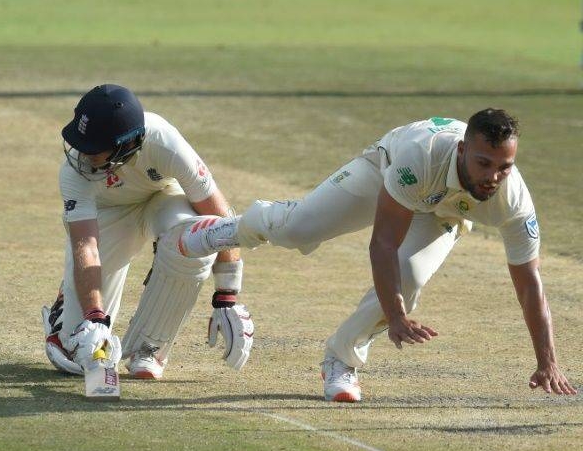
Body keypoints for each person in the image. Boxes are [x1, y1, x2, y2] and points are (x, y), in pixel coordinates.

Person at [179, 109, 577, 402]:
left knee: (410, 278)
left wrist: (548, 361)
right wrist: (397, 316)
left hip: (444, 210)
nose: (493, 176)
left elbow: (529, 285)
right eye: (483, 163)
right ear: (462, 150)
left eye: (504, 166)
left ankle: (341, 360)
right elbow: (383, 243)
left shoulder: (514, 200)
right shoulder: (420, 158)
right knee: (299, 229)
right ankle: (230, 229)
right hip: (387, 171)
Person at [41, 84, 253, 379]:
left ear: (126, 145)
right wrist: (94, 319)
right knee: (77, 354)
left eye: (94, 150)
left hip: (163, 198)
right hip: (109, 214)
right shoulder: (74, 172)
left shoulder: (164, 141)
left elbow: (218, 217)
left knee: (196, 238)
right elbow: (86, 245)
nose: (83, 155)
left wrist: (227, 294)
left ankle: (149, 346)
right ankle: (67, 310)